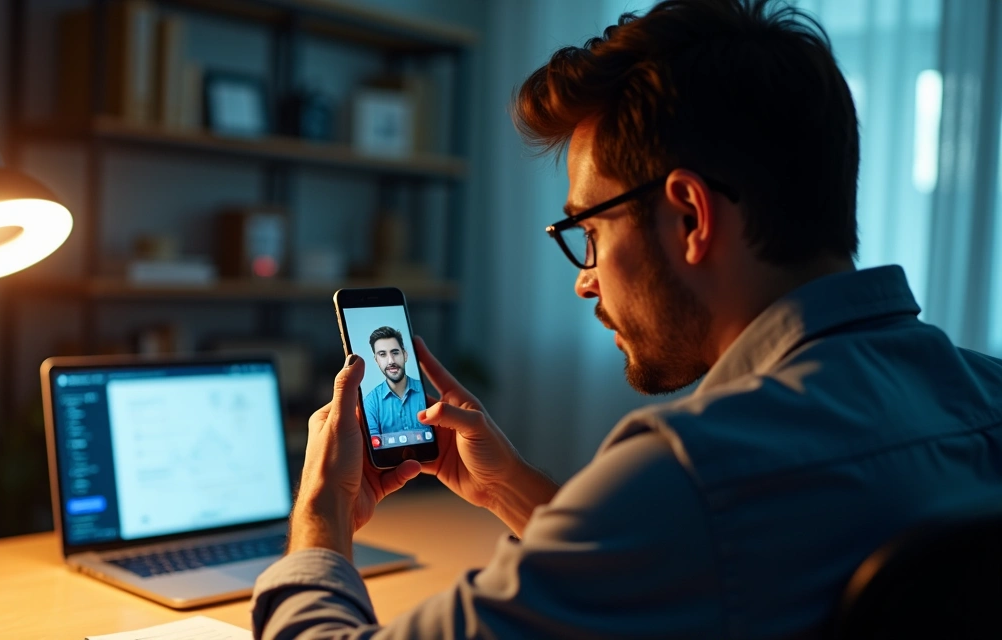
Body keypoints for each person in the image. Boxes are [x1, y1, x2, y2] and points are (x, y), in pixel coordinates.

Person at [250, 0, 1002, 637]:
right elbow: (703, 566)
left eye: (592, 232)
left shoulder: (689, 475)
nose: (585, 281)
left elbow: (690, 525)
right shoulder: (985, 394)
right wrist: (507, 487)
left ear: (689, 215)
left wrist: (321, 518)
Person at [362, 326, 427, 437]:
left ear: (405, 355)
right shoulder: (370, 402)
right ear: (376, 360)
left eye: (395, 353)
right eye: (382, 354)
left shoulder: (424, 391)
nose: (391, 361)